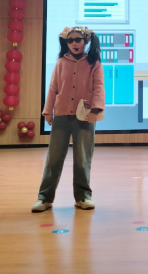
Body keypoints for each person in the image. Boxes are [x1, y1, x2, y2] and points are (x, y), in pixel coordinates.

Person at [32, 26, 104, 213]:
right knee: (54, 158)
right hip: (62, 116)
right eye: (70, 40)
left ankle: (83, 197)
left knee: (82, 158)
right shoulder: (61, 63)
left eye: (78, 39)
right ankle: (44, 198)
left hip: (85, 116)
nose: (74, 43)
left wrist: (96, 109)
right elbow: (53, 88)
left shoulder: (93, 63)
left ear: (85, 41)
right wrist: (48, 111)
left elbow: (99, 86)